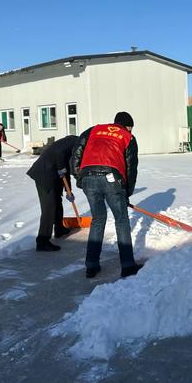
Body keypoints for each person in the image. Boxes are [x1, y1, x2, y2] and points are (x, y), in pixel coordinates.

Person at [71, 111, 140, 279]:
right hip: (112, 178)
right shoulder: (127, 137)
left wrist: (79, 176)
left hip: (88, 176)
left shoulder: (93, 130)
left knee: (98, 219)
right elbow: (131, 167)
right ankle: (128, 266)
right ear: (128, 126)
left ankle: (91, 266)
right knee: (122, 221)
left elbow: (76, 152)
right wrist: (127, 192)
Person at [27, 136, 78, 251]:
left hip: (54, 174)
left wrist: (68, 190)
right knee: (49, 207)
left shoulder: (74, 142)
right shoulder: (75, 142)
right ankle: (42, 241)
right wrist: (61, 168)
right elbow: (58, 152)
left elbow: (66, 169)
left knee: (57, 200)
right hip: (44, 173)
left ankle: (59, 229)